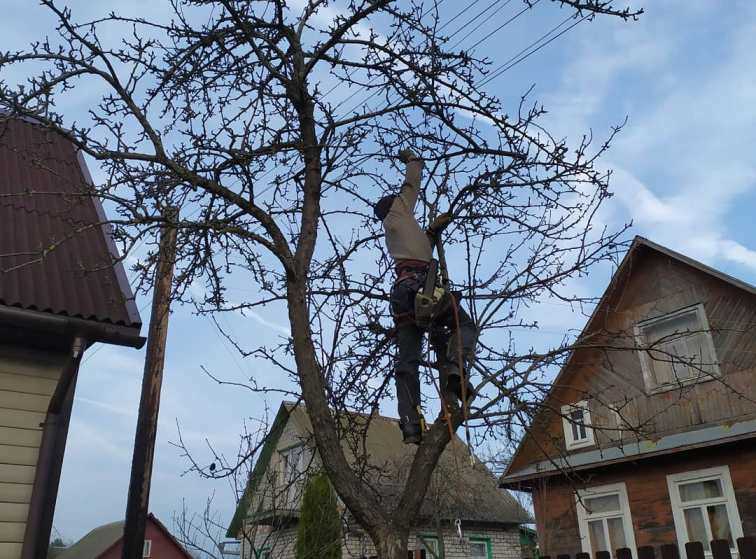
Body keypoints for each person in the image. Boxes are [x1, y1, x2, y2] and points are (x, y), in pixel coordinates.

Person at [374, 149, 478, 444]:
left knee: (407, 360)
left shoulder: (396, 231)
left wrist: (432, 230)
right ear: (396, 206)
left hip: (404, 294)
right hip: (423, 288)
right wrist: (412, 160)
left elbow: (419, 250)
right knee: (464, 326)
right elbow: (412, 183)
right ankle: (456, 372)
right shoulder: (399, 210)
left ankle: (410, 424)